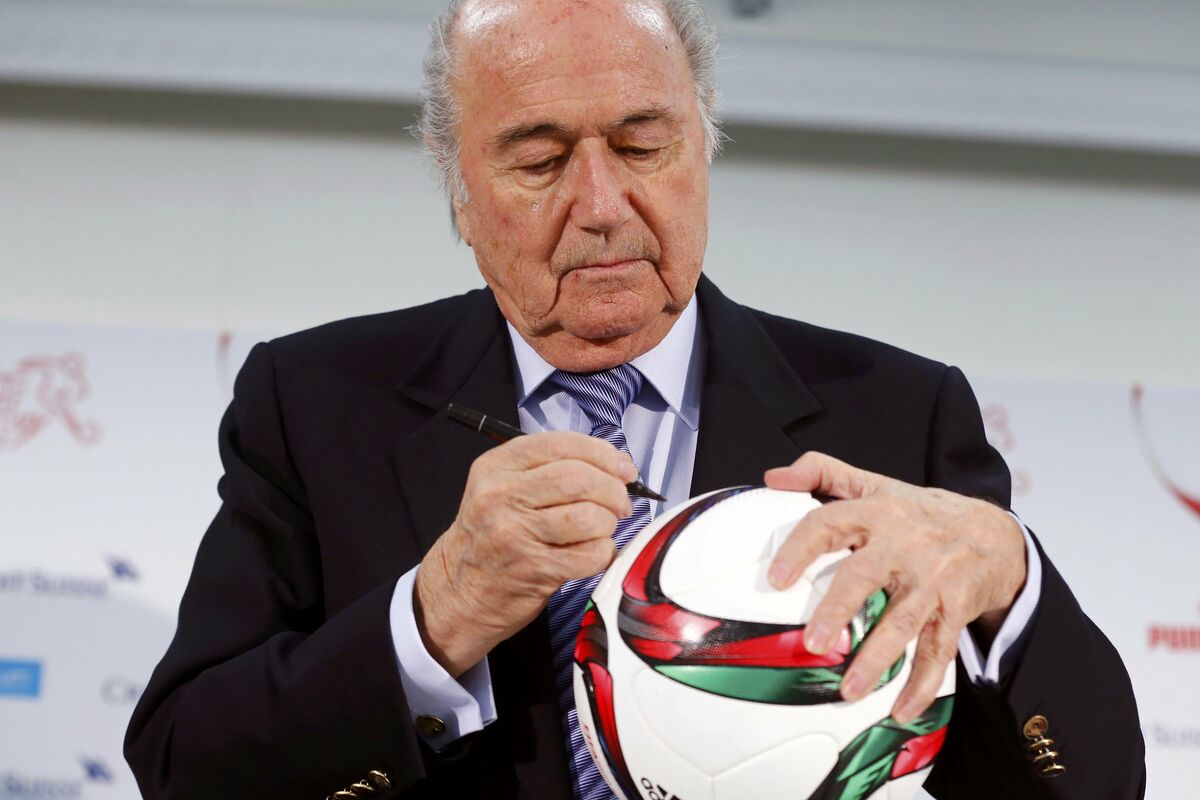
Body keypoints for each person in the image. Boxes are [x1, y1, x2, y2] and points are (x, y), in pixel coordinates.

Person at [124, 1, 1144, 798]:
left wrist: (1011, 579)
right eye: (540, 160)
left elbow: (1098, 782)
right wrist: (430, 621)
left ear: (703, 148)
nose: (603, 206)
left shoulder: (897, 414)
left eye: (643, 146)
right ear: (458, 191)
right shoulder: (315, 404)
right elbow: (183, 767)